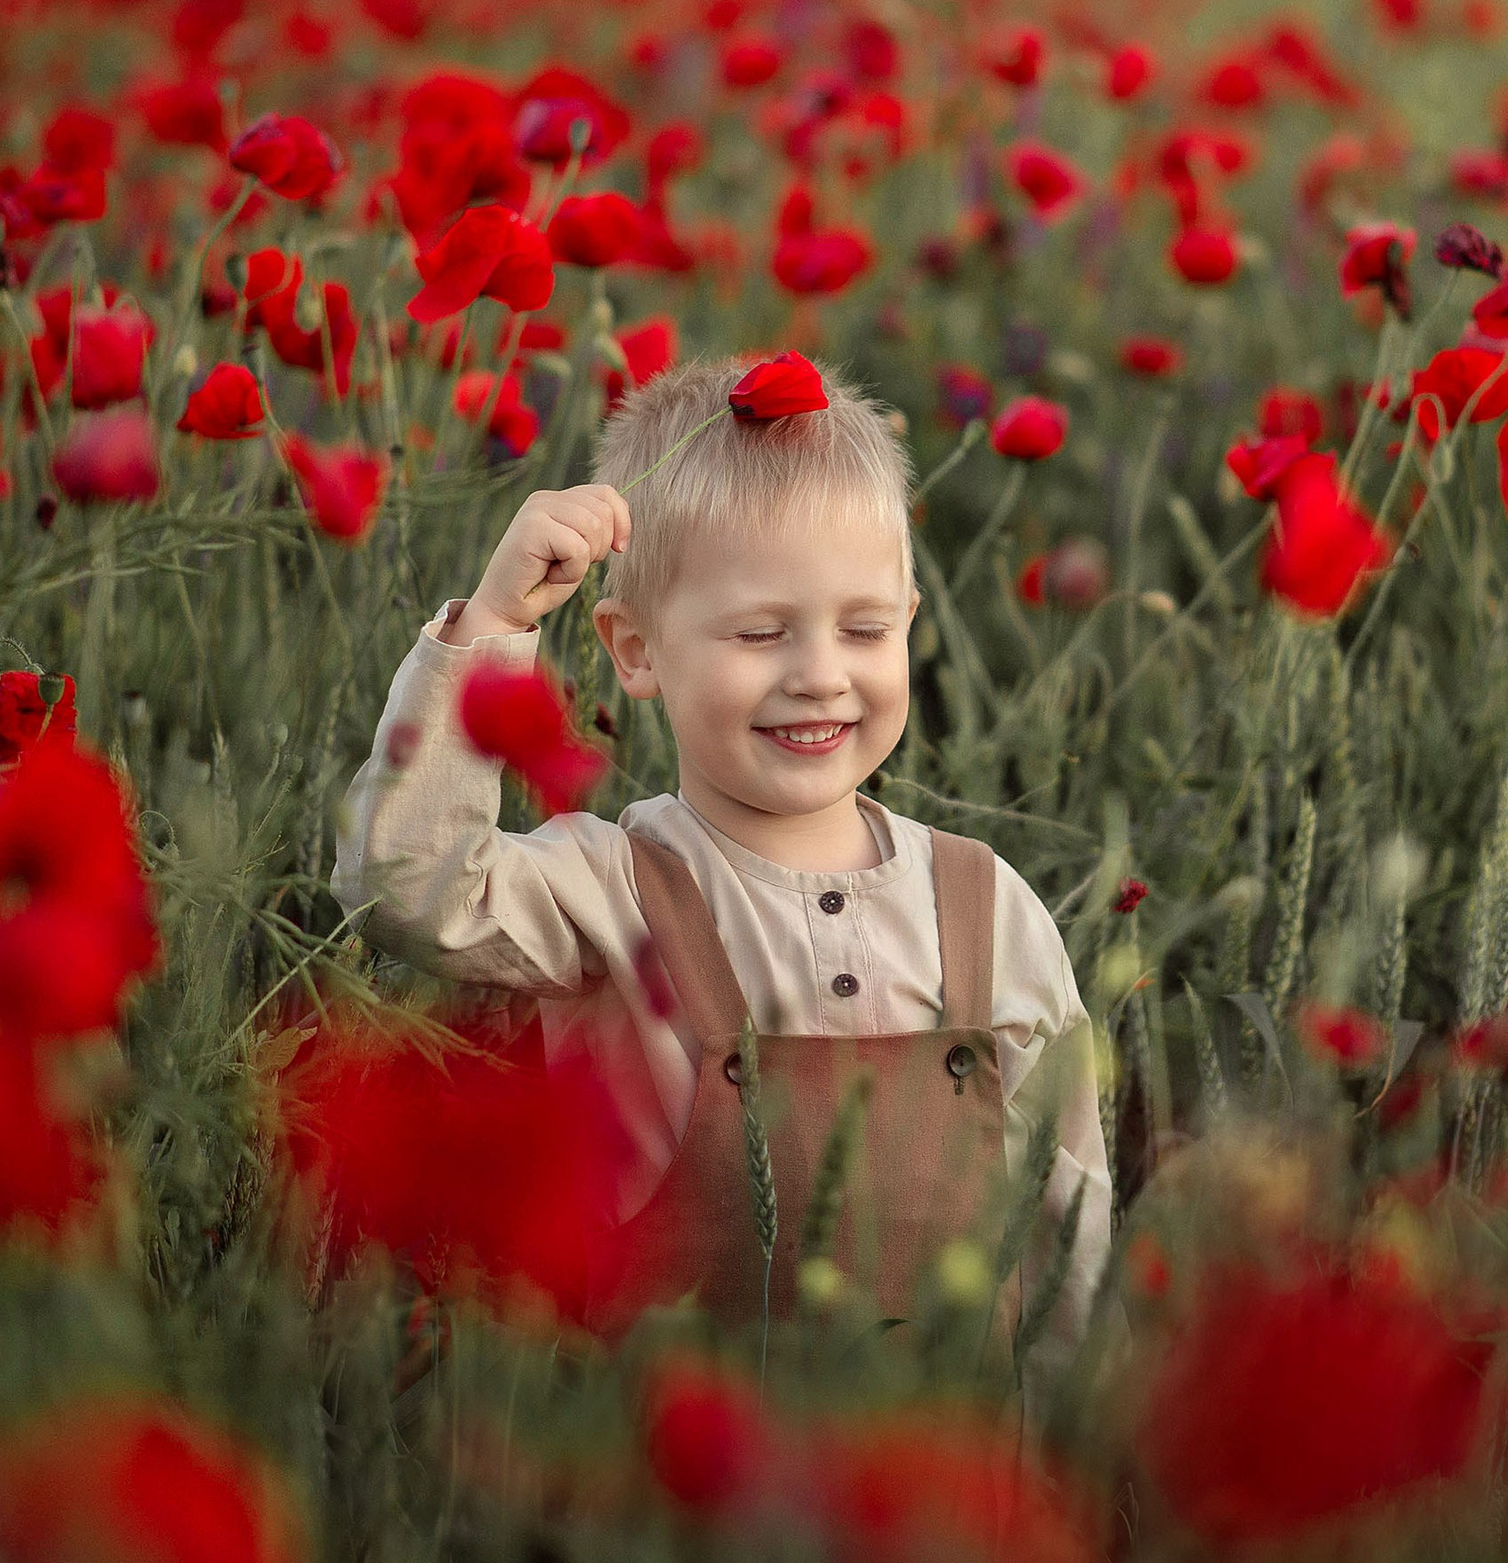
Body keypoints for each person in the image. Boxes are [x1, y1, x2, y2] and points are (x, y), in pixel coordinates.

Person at [332, 351, 1110, 1385]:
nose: (821, 673)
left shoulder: (985, 905)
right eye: (759, 631)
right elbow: (402, 885)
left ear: (911, 625)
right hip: (678, 1482)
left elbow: (1068, 1225)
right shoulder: (613, 884)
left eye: (865, 628)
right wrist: (494, 628)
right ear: (637, 649)